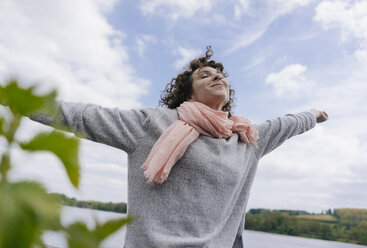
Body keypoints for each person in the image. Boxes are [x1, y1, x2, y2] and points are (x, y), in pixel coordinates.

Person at [31, 46, 328, 248]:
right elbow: (83, 116)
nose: (217, 76)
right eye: (205, 75)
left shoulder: (246, 138)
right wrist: (20, 101)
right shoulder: (154, 124)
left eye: (220, 74)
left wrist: (314, 115)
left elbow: (287, 123)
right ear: (187, 92)